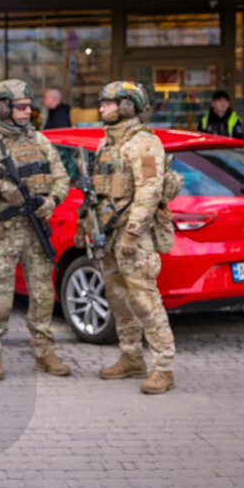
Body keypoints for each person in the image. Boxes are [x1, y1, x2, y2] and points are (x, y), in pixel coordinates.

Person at [0, 79, 71, 381]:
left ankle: (44, 354)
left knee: (43, 297)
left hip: (35, 234)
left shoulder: (40, 142)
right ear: (4, 108)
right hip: (2, 235)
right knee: (0, 300)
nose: (28, 110)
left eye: (29, 105)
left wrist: (52, 200)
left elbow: (62, 178)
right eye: (21, 106)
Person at [80, 81, 177, 395]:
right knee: (118, 298)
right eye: (102, 102)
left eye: (108, 102)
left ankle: (163, 368)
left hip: (132, 238)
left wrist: (133, 234)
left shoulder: (144, 143)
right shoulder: (106, 145)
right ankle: (131, 356)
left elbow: (150, 192)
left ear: (127, 105)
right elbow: (96, 191)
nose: (101, 107)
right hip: (107, 235)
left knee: (145, 300)